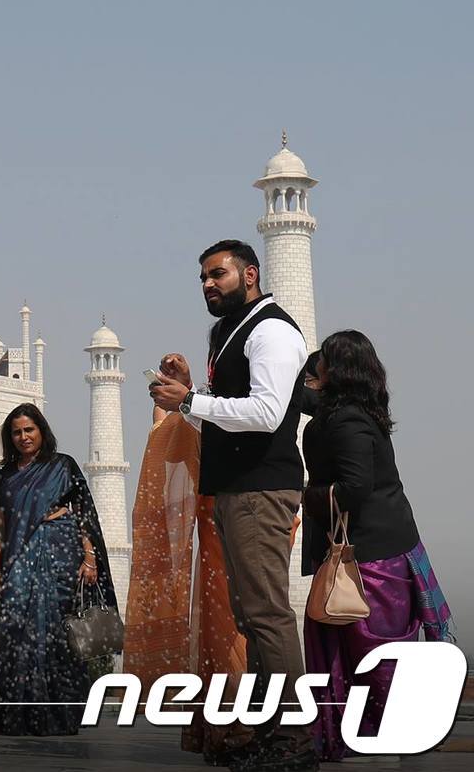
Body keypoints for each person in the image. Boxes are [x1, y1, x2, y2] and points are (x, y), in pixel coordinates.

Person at [150, 239, 318, 772]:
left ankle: (295, 737)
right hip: (232, 489)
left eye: (217, 274)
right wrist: (190, 392)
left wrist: (189, 400)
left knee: (267, 613)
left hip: (261, 488)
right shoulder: (227, 332)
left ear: (250, 274)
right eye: (203, 277)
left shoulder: (272, 330)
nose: (208, 284)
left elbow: (267, 413)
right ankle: (270, 730)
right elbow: (223, 414)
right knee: (251, 614)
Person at [300, 330, 454, 761]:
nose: (316, 366)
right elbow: (299, 399)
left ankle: (400, 729)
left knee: (376, 652)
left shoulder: (346, 420)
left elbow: (355, 486)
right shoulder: (354, 411)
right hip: (378, 547)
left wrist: (306, 496)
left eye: (324, 361)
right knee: (361, 647)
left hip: (371, 556)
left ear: (337, 370)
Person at [124, 406, 253, 761]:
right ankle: (226, 728)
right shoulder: (208, 410)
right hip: (218, 530)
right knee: (219, 631)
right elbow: (175, 451)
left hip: (242, 521)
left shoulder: (244, 406)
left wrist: (180, 411)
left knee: (237, 629)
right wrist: (172, 416)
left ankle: (245, 727)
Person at [0, 402, 116, 737]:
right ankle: (20, 714)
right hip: (19, 556)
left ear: (41, 431)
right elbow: (0, 524)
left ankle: (61, 714)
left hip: (60, 552)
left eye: (29, 430)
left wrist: (89, 557)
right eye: (16, 432)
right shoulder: (4, 475)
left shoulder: (62, 465)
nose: (23, 437)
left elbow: (83, 511)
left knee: (58, 632)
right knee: (17, 629)